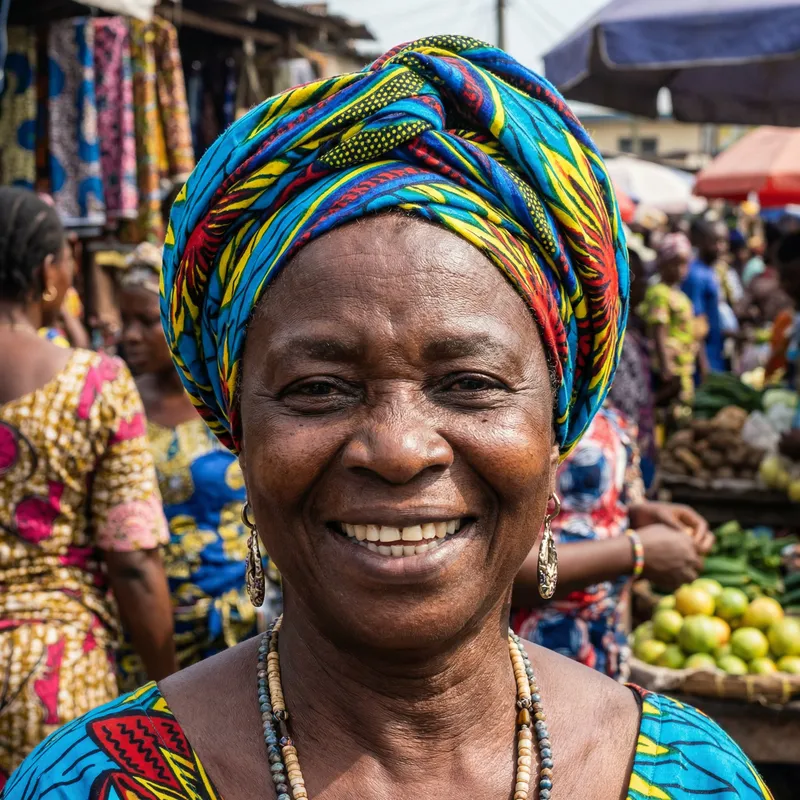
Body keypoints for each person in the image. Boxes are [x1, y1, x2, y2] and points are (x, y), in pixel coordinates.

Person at [5, 37, 773, 800]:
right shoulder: (92, 783)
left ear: (558, 426)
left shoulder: (695, 775)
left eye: (470, 383)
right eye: (317, 389)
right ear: (237, 426)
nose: (399, 450)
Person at [0, 188, 177, 786]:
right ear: (49, 272)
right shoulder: (94, 383)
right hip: (51, 676)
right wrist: (169, 693)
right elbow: (133, 563)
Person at [116, 243, 276, 682]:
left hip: (240, 624)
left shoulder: (231, 401)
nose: (129, 334)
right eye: (124, 320)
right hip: (146, 634)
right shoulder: (116, 406)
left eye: (146, 321)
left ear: (179, 322)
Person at [512, 404, 712, 680]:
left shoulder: (593, 396)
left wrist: (632, 514)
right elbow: (501, 569)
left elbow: (574, 515)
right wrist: (635, 551)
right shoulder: (526, 412)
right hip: (537, 665)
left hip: (598, 660)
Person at [607, 248, 658, 487]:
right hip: (623, 441)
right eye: (640, 278)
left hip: (636, 440)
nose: (646, 286)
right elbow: (624, 402)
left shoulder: (632, 328)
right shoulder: (614, 337)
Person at [639, 232, 700, 406]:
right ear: (663, 264)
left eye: (684, 264)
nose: (681, 269)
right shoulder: (659, 293)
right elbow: (659, 331)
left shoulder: (678, 294)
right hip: (670, 369)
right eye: (675, 264)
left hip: (683, 366)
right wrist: (666, 369)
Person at [684, 219, 726, 373]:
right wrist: (704, 366)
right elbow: (696, 323)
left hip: (715, 353)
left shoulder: (710, 271)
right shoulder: (695, 276)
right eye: (715, 241)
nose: (721, 247)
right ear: (700, 241)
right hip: (705, 360)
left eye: (723, 241)